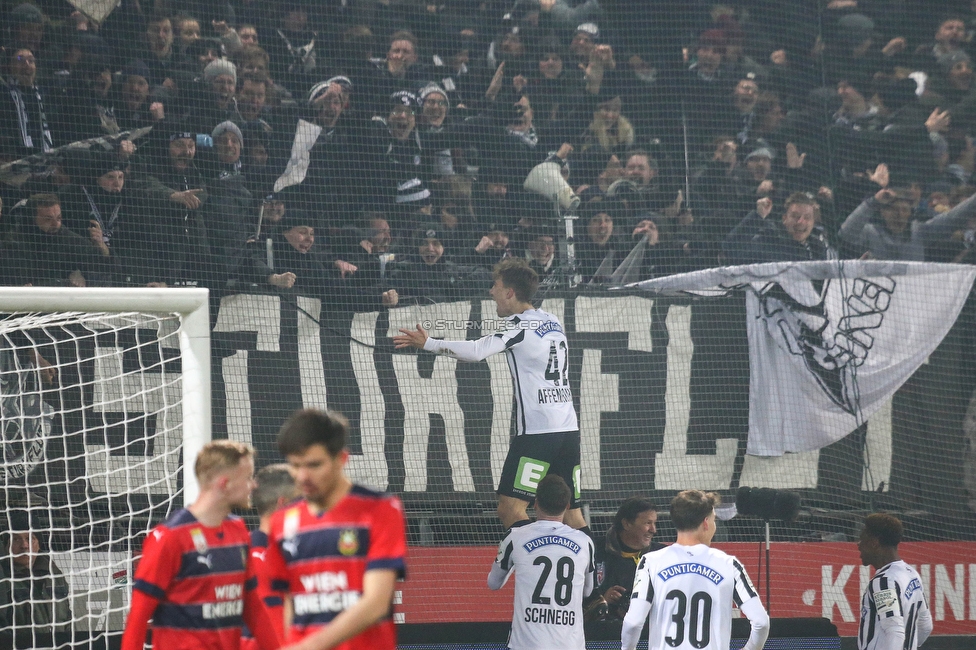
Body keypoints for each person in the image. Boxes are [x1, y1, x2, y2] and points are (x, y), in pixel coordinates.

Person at [394, 258, 585, 530]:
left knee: (510, 508)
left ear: (509, 292)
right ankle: (595, 573)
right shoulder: (552, 320)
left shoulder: (518, 326)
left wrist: (429, 343)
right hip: (568, 429)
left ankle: (532, 562)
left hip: (538, 430)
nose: (491, 292)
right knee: (572, 514)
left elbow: (476, 351)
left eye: (495, 286)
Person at [263, 409, 407, 650]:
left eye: (314, 465)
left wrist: (308, 647)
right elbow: (289, 601)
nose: (303, 476)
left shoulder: (379, 509)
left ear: (342, 459)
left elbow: (376, 603)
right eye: (295, 466)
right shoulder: (281, 521)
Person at [120, 440, 279, 650]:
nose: (253, 485)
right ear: (224, 484)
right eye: (248, 477)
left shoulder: (238, 530)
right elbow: (139, 616)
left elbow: (254, 608)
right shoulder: (170, 537)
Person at [621, 490, 769, 650]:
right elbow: (761, 622)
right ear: (706, 523)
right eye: (714, 520)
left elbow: (633, 623)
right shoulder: (728, 564)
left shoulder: (651, 562)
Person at [486, 474, 595, 650]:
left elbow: (493, 583)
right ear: (567, 506)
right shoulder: (585, 542)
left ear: (535, 503)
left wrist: (517, 566)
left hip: (526, 645)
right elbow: (588, 591)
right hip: (570, 645)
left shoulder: (515, 537)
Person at [241, 464, 299, 650]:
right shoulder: (258, 560)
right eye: (302, 500)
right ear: (283, 504)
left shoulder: (252, 551)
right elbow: (275, 634)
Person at [857, 513, 933, 650]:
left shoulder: (883, 582)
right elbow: (925, 625)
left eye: (862, 539)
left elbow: (894, 631)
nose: (858, 545)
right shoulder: (912, 574)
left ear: (874, 543)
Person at [584, 497, 663, 622]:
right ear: (626, 524)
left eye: (654, 523)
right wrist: (601, 601)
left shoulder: (660, 555)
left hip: (647, 634)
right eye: (648, 523)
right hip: (601, 636)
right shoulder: (595, 551)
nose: (654, 530)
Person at [0, 510, 73, 642]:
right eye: (16, 539)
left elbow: (67, 619)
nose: (24, 545)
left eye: (30, 538)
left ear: (38, 543)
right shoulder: (3, 578)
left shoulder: (54, 575)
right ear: (6, 545)